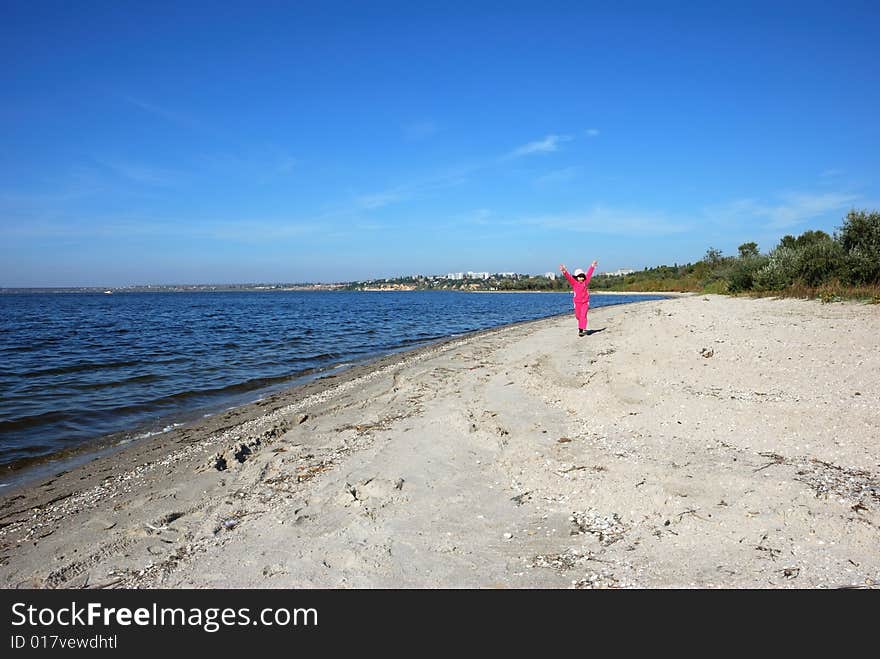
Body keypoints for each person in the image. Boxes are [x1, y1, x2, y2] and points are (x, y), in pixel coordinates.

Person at [559, 260, 597, 336]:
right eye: (579, 277)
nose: (581, 278)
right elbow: (568, 277)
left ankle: (581, 330)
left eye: (582, 277)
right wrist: (564, 271)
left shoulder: (585, 282)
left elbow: (589, 274)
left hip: (585, 303)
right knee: (578, 316)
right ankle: (581, 325)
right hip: (577, 303)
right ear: (576, 277)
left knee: (583, 315)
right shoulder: (574, 283)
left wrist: (592, 266)